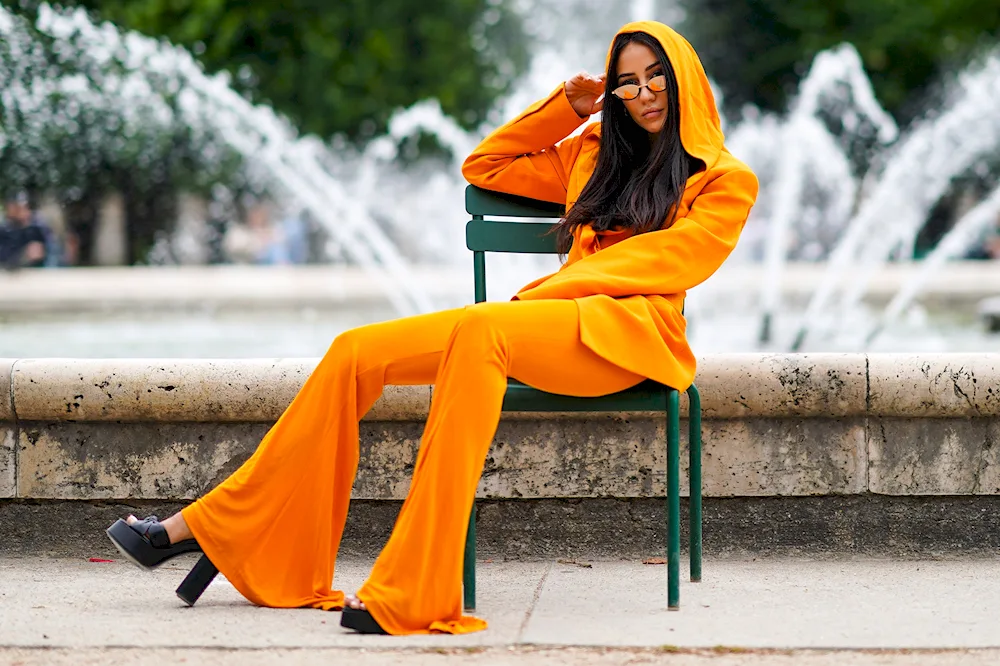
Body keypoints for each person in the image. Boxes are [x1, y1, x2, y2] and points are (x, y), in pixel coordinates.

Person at [105, 21, 758, 636]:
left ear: (684, 78)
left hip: (628, 340)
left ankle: (414, 589)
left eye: (656, 78)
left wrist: (536, 299)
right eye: (628, 81)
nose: (643, 94)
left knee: (482, 331)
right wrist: (569, 106)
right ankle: (212, 524)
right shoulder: (591, 155)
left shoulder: (726, 180)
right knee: (354, 351)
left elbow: (669, 259)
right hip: (543, 325)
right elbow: (486, 165)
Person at [0, 192, 49, 269]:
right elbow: (4, 258)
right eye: (16, 208)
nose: (21, 211)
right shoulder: (4, 231)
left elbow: (52, 255)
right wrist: (23, 256)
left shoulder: (36, 230)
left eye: (24, 207)